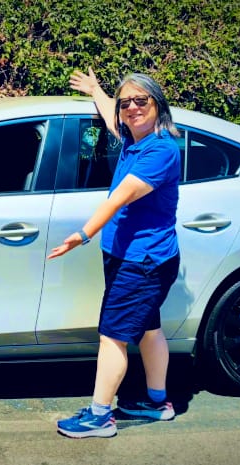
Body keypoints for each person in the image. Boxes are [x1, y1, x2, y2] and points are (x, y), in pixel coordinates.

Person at [49, 68, 182, 438]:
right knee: (149, 329)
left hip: (143, 261)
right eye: (128, 103)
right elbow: (111, 115)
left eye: (142, 101)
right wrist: (97, 90)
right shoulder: (132, 138)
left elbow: (122, 195)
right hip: (136, 257)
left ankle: (100, 416)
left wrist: (83, 233)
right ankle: (157, 403)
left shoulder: (161, 151)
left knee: (112, 336)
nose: (132, 108)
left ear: (158, 104)